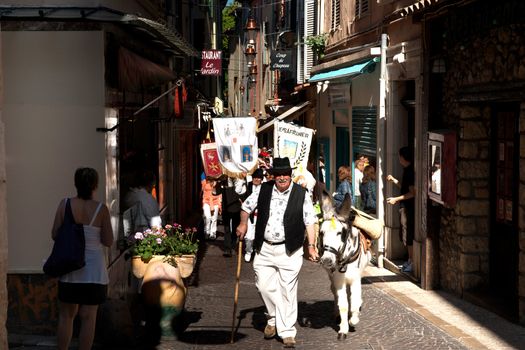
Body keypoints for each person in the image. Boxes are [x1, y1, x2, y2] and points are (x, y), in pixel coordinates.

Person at [236, 157, 319, 348]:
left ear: (290, 175)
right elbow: (246, 207)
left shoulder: (301, 194)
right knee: (263, 286)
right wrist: (242, 223)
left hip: (290, 249)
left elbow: (310, 220)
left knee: (287, 290)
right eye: (278, 174)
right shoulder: (263, 190)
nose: (282, 177)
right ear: (273, 176)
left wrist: (312, 246)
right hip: (264, 247)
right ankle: (273, 317)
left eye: (285, 174)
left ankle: (287, 331)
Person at [51, 167, 113, 350]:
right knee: (88, 317)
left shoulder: (64, 204)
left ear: (76, 184)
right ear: (95, 185)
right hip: (94, 272)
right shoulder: (101, 209)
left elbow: (54, 234)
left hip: (70, 269)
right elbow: (108, 241)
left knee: (66, 316)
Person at [386, 147, 415, 273]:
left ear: (403, 157)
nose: (398, 158)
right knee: (405, 234)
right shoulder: (407, 170)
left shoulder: (409, 172)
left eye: (399, 156)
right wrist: (394, 180)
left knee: (408, 234)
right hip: (405, 206)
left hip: (408, 207)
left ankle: (412, 261)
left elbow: (412, 193)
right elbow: (405, 188)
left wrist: (396, 199)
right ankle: (409, 260)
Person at [216, 174, 246, 257]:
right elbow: (216, 192)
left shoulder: (241, 180)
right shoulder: (224, 180)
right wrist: (219, 181)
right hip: (226, 207)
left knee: (235, 227)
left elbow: (244, 193)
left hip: (236, 207)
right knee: (227, 229)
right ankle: (227, 248)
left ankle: (233, 244)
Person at [242, 168, 264, 262]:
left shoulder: (264, 188)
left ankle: (258, 252)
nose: (257, 179)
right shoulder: (247, 185)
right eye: (255, 177)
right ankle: (248, 252)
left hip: (260, 216)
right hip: (249, 216)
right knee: (249, 237)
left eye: (259, 178)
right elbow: (239, 191)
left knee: (260, 235)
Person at [201, 176, 221, 240]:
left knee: (214, 218)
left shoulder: (217, 183)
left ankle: (213, 233)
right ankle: (206, 232)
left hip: (215, 202)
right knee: (207, 217)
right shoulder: (204, 182)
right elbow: (202, 190)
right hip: (206, 201)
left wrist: (215, 185)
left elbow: (218, 192)